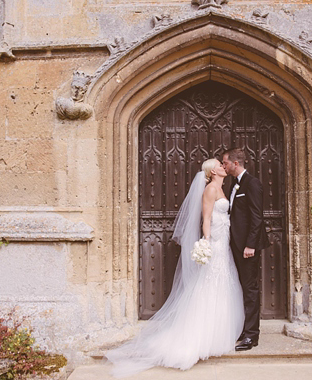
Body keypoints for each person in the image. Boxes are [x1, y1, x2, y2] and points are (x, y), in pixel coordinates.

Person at [105, 159, 244, 377]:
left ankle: (216, 334)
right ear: (211, 171)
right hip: (215, 243)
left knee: (222, 284)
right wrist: (206, 242)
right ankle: (198, 338)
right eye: (219, 165)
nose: (222, 167)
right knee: (209, 285)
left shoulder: (221, 188)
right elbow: (206, 218)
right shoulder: (210, 189)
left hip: (223, 242)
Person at [222, 148, 269, 351]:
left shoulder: (252, 183)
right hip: (236, 244)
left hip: (247, 247)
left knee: (250, 289)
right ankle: (245, 329)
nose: (223, 166)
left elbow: (257, 217)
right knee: (241, 287)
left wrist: (250, 244)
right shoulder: (234, 183)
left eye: (225, 163)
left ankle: (252, 335)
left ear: (235, 163)